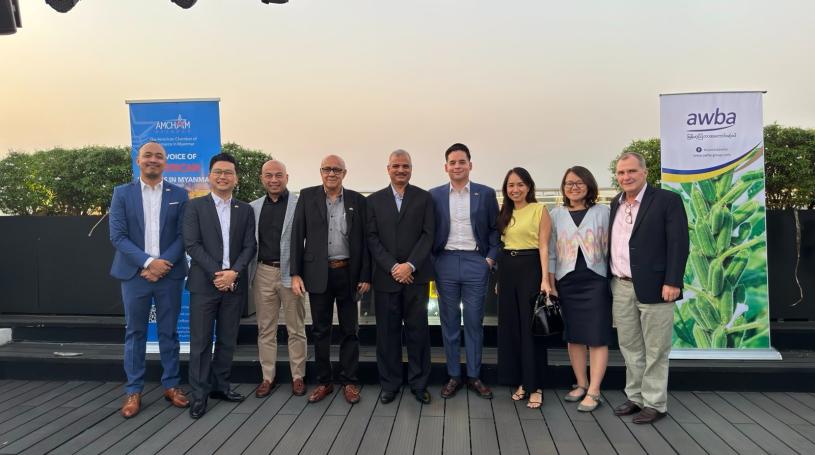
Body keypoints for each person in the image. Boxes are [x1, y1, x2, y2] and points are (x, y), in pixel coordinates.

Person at [109, 141, 190, 418]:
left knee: (169, 332)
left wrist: (161, 265)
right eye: (147, 155)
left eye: (158, 156)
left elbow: (184, 235)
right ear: (138, 160)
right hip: (135, 274)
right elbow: (118, 236)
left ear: (165, 162)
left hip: (169, 274)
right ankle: (134, 390)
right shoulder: (122, 193)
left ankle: (172, 385)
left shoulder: (179, 194)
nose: (153, 160)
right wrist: (147, 263)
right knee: (135, 332)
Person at [609, 152, 689, 424]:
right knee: (629, 346)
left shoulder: (667, 201)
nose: (626, 177)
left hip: (657, 287)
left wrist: (673, 281)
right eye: (621, 172)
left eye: (632, 171)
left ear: (644, 172)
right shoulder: (615, 203)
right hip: (621, 285)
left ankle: (655, 403)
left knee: (656, 349)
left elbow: (679, 243)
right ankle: (635, 397)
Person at [290, 155, 371, 405]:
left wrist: (365, 275)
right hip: (318, 274)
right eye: (327, 169)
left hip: (348, 273)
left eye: (337, 169)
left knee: (350, 330)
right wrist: (295, 273)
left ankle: (349, 381)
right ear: (321, 172)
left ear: (344, 173)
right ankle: (324, 381)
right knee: (320, 330)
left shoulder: (357, 200)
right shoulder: (307, 197)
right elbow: (297, 236)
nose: (332, 173)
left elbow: (365, 241)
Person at [183, 152, 257, 419]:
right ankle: (199, 395)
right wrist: (219, 274)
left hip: (233, 286)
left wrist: (233, 273)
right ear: (209, 176)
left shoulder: (245, 210)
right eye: (218, 172)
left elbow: (250, 246)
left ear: (236, 178)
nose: (223, 176)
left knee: (227, 340)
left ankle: (221, 386)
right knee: (201, 342)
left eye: (228, 172)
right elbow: (192, 244)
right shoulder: (194, 207)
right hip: (205, 285)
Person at [429, 143, 498, 400]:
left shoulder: (486, 194)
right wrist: (434, 261)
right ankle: (454, 376)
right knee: (448, 323)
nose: (457, 166)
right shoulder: (434, 195)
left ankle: (474, 376)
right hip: (445, 262)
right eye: (452, 162)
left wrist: (489, 259)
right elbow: (427, 230)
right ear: (445, 167)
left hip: (475, 262)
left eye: (462, 162)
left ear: (470, 164)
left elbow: (495, 229)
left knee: (473, 322)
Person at [367, 150, 434, 404]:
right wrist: (394, 267)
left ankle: (419, 384)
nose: (401, 170)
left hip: (416, 278)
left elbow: (428, 235)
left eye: (405, 166)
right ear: (388, 169)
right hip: (386, 279)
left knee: (419, 333)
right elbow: (371, 238)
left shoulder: (424, 198)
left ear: (411, 169)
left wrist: (410, 266)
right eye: (396, 166)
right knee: (387, 335)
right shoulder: (373, 201)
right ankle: (390, 384)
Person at [547, 166, 612, 412]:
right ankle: (581, 383)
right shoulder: (555, 214)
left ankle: (594, 390)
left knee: (597, 336)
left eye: (579, 183)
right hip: (567, 281)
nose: (573, 187)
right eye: (569, 183)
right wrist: (550, 282)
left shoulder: (603, 212)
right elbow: (551, 251)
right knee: (573, 336)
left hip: (596, 280)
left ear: (589, 185)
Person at [248, 160, 307, 398]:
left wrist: (299, 272)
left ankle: (298, 376)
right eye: (269, 175)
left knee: (296, 328)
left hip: (292, 274)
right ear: (262, 178)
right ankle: (267, 377)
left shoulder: (300, 205)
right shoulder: (253, 207)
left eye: (278, 175)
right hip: (262, 272)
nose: (274, 180)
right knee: (265, 329)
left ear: (287, 177)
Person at [496, 167, 552, 409]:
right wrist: (499, 279)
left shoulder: (540, 209)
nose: (515, 189)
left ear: (529, 186)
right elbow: (504, 245)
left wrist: (545, 279)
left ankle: (535, 385)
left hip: (531, 269)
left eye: (520, 184)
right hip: (508, 270)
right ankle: (520, 381)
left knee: (531, 329)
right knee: (512, 329)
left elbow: (544, 247)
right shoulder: (505, 212)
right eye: (511, 185)